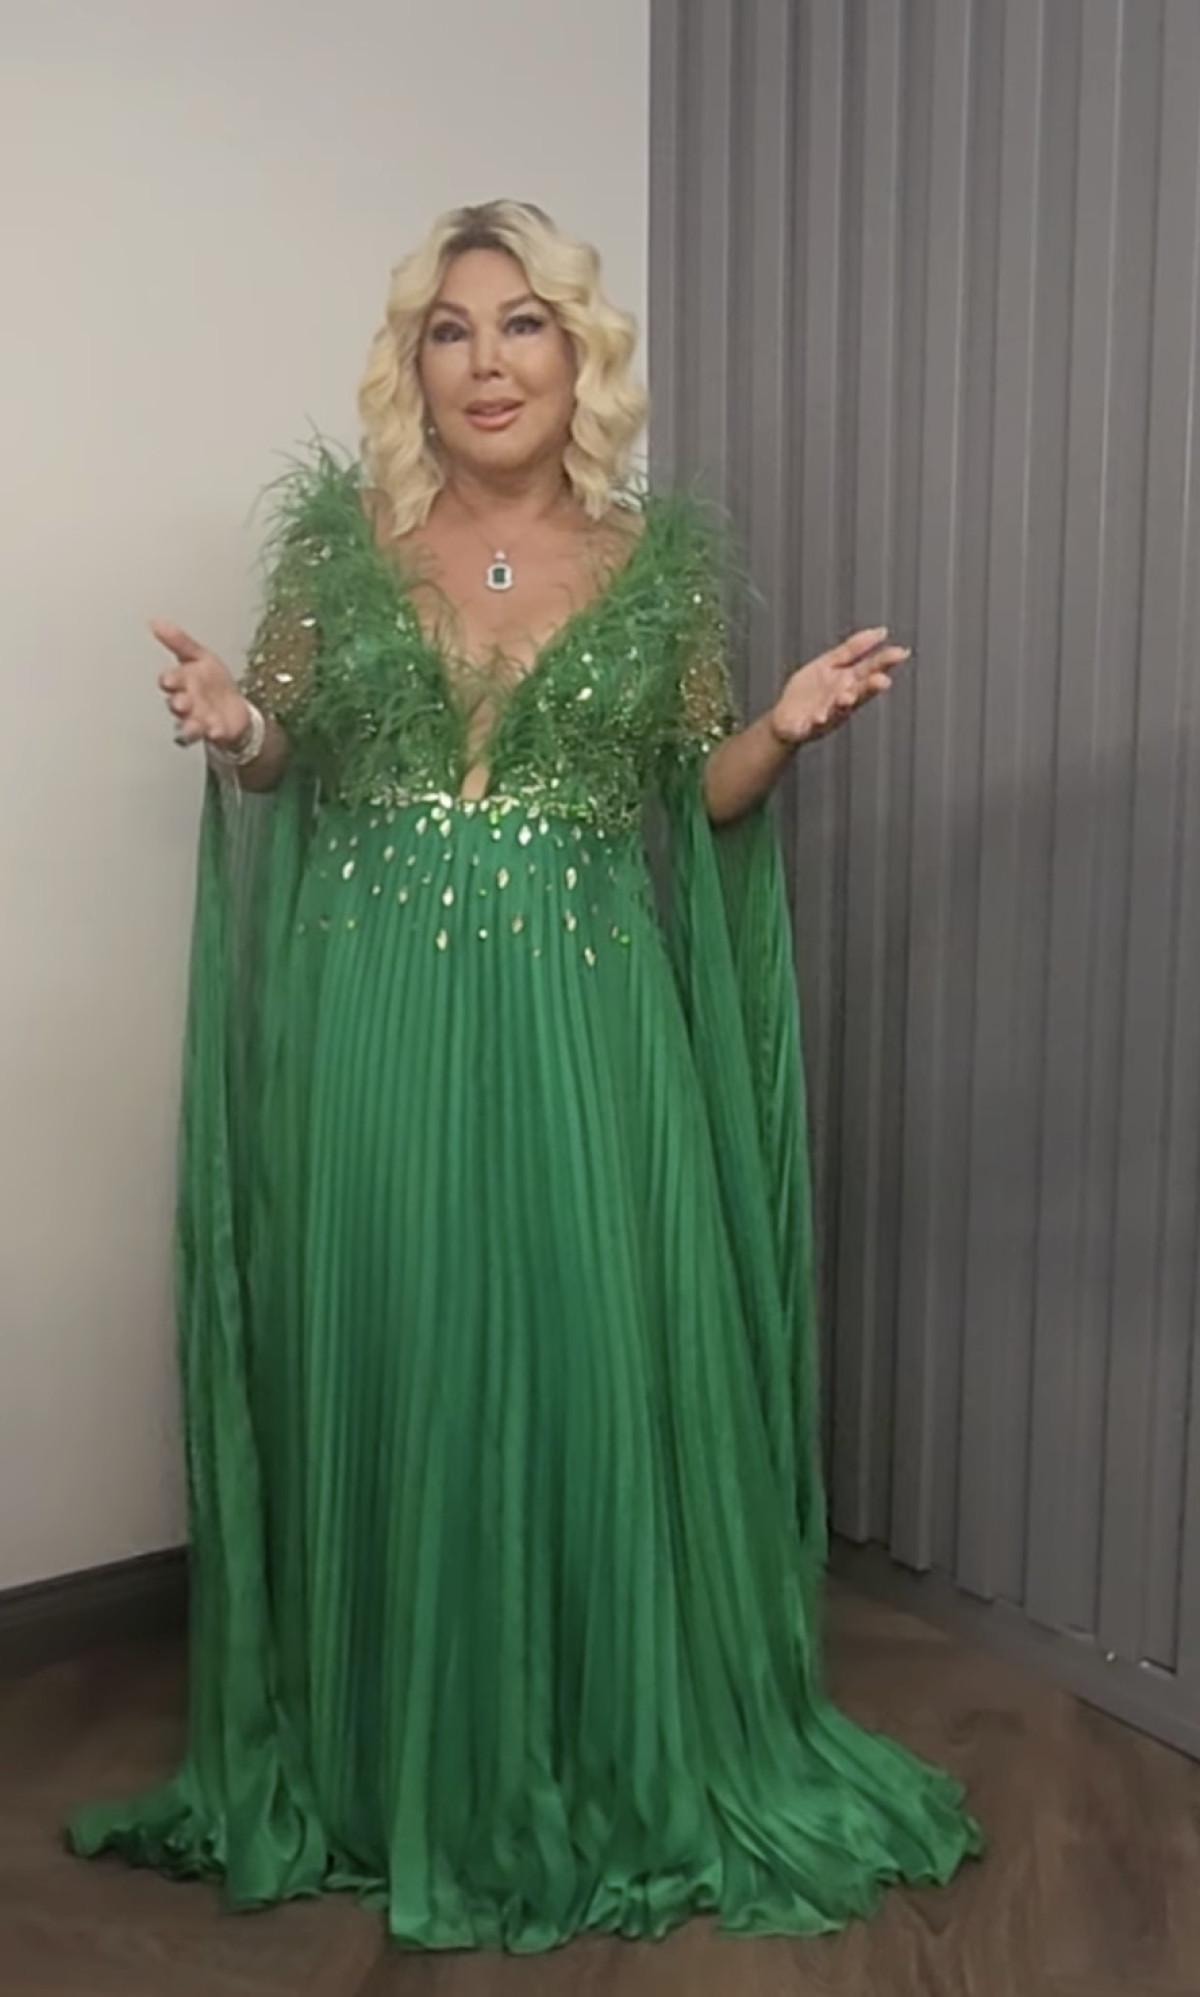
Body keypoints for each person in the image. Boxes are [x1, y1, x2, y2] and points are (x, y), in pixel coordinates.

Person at [66, 199, 982, 1951]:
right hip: (375, 1013)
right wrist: (236, 725)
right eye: (452, 329)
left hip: (589, 1021)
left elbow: (692, 796)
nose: (487, 363)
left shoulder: (659, 569)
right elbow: (279, 755)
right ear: (414, 364)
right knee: (400, 1340)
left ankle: (600, 1736)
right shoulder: (339, 554)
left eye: (524, 324)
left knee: (587, 1353)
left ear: (580, 356)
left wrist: (779, 730)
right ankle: (390, 1755)